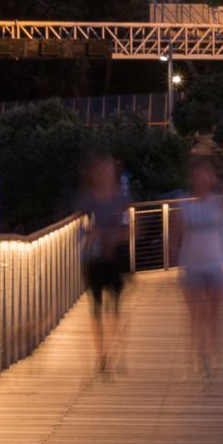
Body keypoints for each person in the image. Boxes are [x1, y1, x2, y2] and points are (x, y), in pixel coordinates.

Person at [167, 151, 223, 374]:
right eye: (197, 175)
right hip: (191, 266)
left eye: (205, 175)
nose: (201, 180)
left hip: (216, 264)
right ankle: (200, 354)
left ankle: (213, 355)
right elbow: (174, 233)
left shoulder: (219, 201)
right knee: (196, 316)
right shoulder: (183, 203)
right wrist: (172, 257)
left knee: (214, 314)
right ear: (191, 177)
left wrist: (216, 180)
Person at [76, 150, 133, 376]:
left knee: (115, 308)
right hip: (93, 258)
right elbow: (81, 228)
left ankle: (112, 349)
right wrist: (94, 234)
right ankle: (102, 355)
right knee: (96, 307)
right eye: (100, 170)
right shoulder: (87, 200)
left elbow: (129, 229)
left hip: (115, 257)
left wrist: (112, 238)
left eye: (108, 170)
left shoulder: (121, 198)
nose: (104, 175)